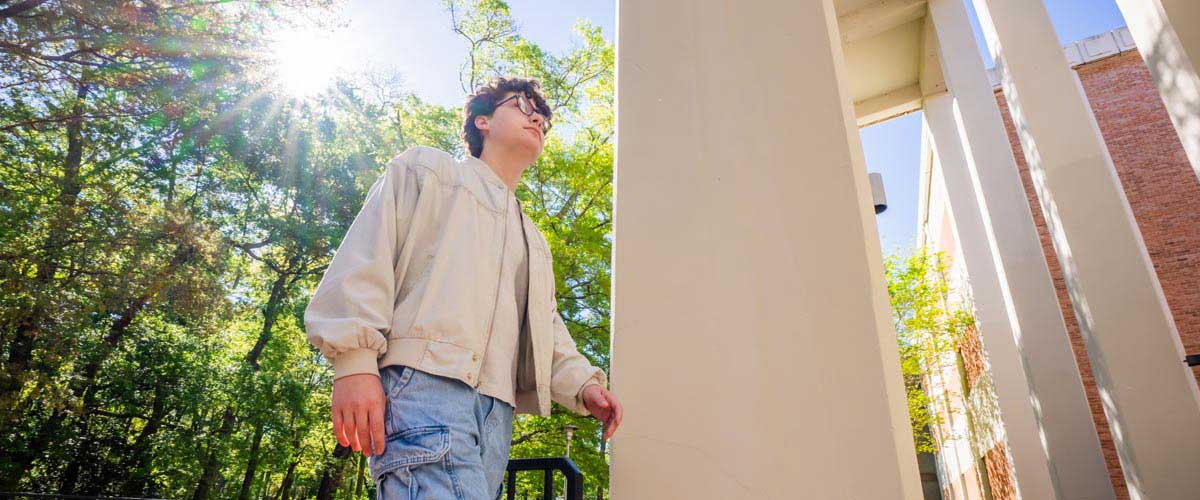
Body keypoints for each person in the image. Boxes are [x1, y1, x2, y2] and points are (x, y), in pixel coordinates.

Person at [303, 76, 622, 500]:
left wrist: (584, 385)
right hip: (423, 386)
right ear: (482, 121)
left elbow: (546, 328)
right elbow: (366, 255)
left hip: (497, 416)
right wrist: (355, 364)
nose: (536, 119)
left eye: (542, 117)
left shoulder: (533, 240)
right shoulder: (427, 172)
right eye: (522, 105)